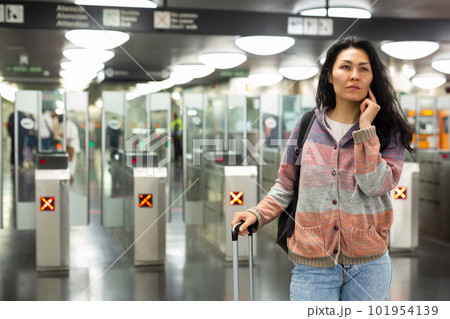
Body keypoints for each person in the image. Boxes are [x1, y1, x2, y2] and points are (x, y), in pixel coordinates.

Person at [231, 36, 413, 301]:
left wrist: (365, 130)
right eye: (345, 67)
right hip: (312, 264)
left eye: (364, 68)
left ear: (373, 77)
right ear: (329, 76)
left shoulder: (388, 132)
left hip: (370, 265)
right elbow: (285, 186)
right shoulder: (306, 126)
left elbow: (375, 185)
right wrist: (257, 213)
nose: (354, 75)